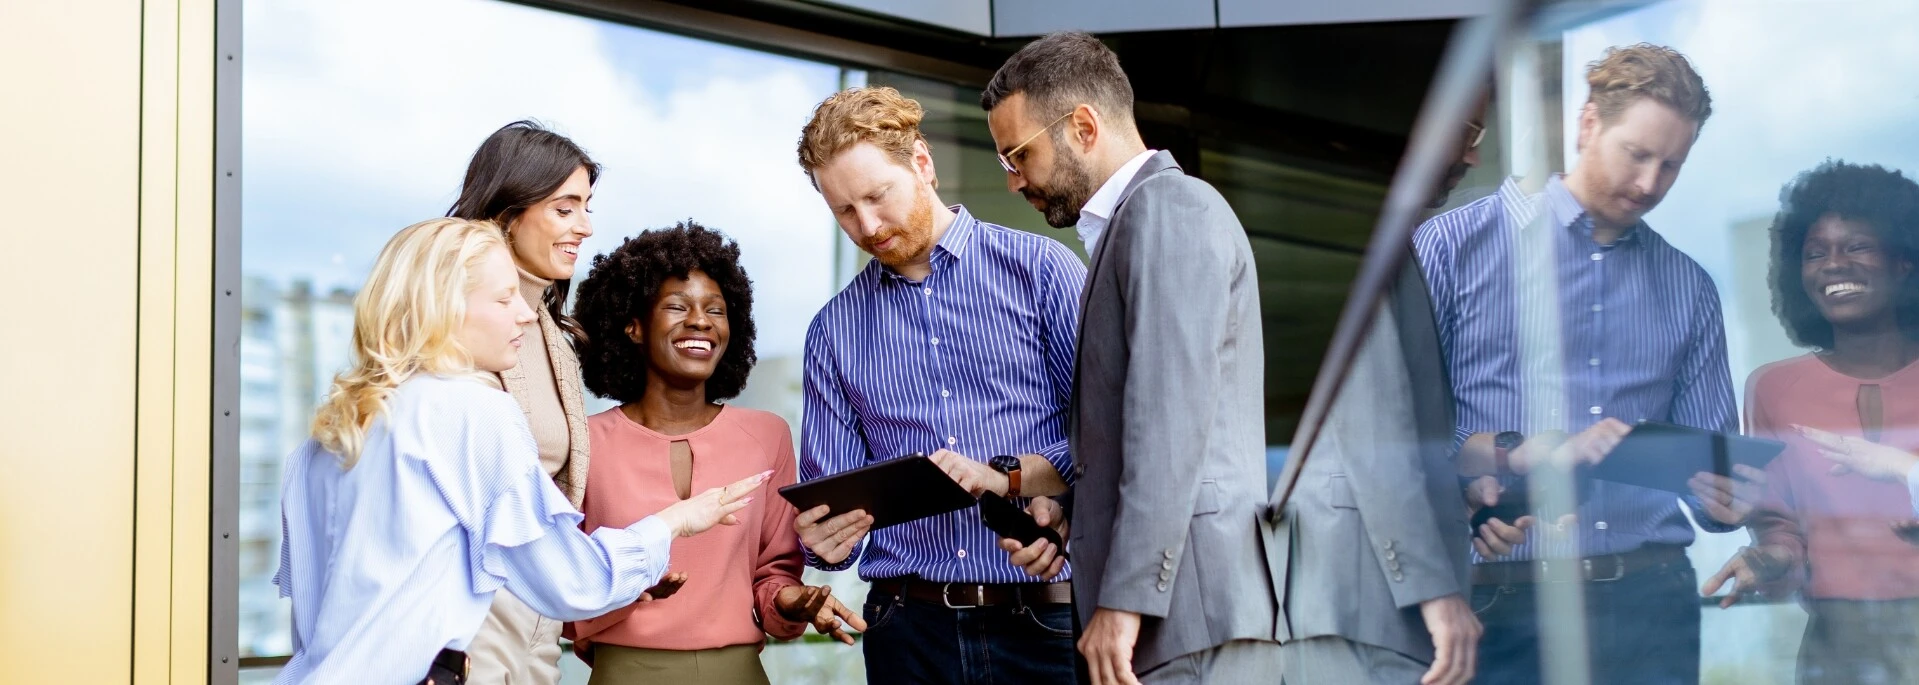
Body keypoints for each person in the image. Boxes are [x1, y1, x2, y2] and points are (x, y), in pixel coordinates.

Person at [272, 217, 766, 684]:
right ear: (446, 306)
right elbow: (573, 581)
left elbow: (313, 623)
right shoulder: (475, 412)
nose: (527, 314)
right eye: (505, 298)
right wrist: (675, 521)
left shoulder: (332, 434)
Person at [1412, 43, 1762, 684]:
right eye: (1638, 154)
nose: (1651, 183)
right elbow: (1400, 434)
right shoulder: (1451, 247)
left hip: (1652, 606)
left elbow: (1711, 476)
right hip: (1501, 601)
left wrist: (1727, 496)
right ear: (1588, 124)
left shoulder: (1690, 288)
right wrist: (1485, 474)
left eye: (1672, 166)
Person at [981, 32, 1280, 684]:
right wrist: (1070, 516)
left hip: (1186, 616)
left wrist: (1125, 599)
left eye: (1017, 154)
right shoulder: (1134, 224)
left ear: (1082, 126)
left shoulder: (1170, 210)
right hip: (1174, 616)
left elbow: (1171, 426)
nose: (1011, 181)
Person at [791, 85, 1084, 684]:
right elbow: (831, 512)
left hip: (1044, 623)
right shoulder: (832, 332)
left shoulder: (1043, 272)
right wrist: (822, 540)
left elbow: (1105, 436)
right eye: (844, 211)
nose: (867, 225)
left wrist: (1034, 489)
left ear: (922, 163)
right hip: (907, 631)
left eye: (877, 196)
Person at [562, 222, 864, 683]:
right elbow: (559, 581)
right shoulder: (582, 443)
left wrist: (791, 600)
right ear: (633, 326)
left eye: (715, 310)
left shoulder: (767, 436)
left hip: (739, 671)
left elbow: (773, 574)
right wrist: (627, 587)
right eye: (677, 307)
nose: (700, 321)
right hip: (625, 670)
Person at [1269, 88, 1497, 685]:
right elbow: (1371, 428)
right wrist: (1433, 587)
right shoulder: (1357, 229)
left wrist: (1459, 491)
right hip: (1369, 606)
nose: (1473, 157)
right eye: (1468, 133)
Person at [1700, 161, 1919, 683]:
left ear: (1904, 263)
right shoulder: (1775, 389)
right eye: (1815, 252)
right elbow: (1781, 529)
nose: (1833, 264)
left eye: (1857, 246)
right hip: (1839, 646)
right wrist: (1769, 558)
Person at [445, 120, 601, 684]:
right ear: (509, 214)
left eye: (587, 207)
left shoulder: (550, 331)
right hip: (474, 603)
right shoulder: (457, 322)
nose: (584, 226)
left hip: (539, 605)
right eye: (565, 208)